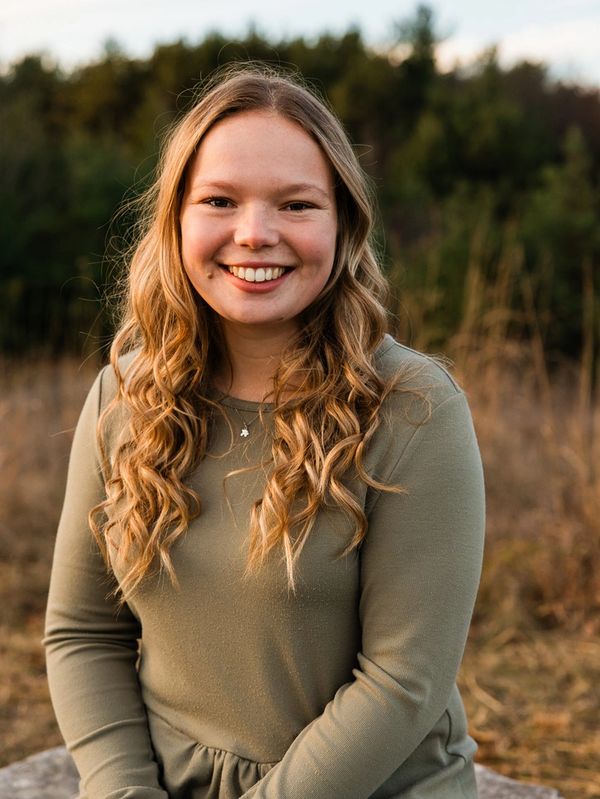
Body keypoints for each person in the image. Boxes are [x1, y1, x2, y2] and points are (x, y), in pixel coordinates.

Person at [44, 65, 485, 799]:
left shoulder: (413, 408)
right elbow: (83, 633)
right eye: (219, 199)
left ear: (341, 222)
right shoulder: (123, 395)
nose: (256, 233)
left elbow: (403, 681)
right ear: (177, 219)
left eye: (296, 203)